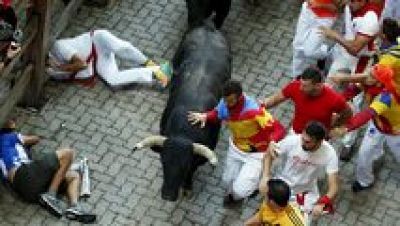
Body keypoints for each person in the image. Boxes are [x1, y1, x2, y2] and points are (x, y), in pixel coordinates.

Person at [188, 80, 286, 205]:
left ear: (240, 97)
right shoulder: (225, 103)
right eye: (225, 100)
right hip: (236, 148)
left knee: (240, 191)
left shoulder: (255, 111)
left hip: (256, 154)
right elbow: (218, 113)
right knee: (227, 180)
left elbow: (279, 129)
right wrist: (206, 116)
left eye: (230, 101)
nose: (227, 104)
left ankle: (250, 189)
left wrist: (272, 141)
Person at [0, 119, 96, 223]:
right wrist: (20, 136)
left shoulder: (9, 147)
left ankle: (75, 207)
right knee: (68, 153)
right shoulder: (8, 137)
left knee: (73, 176)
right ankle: (50, 195)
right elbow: (35, 139)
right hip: (23, 174)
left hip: (29, 192)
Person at [330, 62, 400, 192]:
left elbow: (366, 114)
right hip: (378, 124)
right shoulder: (368, 81)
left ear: (379, 82)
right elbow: (350, 92)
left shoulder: (386, 97)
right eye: (370, 72)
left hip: (395, 131)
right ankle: (365, 181)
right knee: (364, 153)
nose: (367, 76)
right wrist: (333, 107)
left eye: (371, 76)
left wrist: (346, 128)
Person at [259, 121, 339, 222]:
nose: (302, 143)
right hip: (281, 186)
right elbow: (269, 155)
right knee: (267, 218)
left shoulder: (329, 153)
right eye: (302, 138)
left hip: (305, 192)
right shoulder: (292, 140)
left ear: (319, 142)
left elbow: (334, 187)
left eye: (307, 142)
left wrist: (322, 203)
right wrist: (265, 176)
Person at [47, 29, 172, 88]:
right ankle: (157, 71)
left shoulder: (58, 46)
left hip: (97, 40)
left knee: (121, 48)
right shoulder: (50, 71)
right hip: (96, 60)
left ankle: (147, 62)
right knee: (113, 80)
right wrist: (56, 69)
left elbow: (82, 64)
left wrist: (61, 67)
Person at [263, 67, 352, 135]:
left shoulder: (335, 100)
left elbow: (347, 114)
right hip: (295, 133)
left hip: (317, 140)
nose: (300, 88)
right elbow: (274, 100)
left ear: (317, 86)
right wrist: (258, 107)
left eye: (305, 86)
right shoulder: (295, 86)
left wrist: (334, 125)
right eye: (301, 83)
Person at [292, 0, 344, 77]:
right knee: (297, 46)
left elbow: (339, 8)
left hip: (324, 19)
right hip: (307, 10)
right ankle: (297, 76)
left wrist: (321, 5)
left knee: (309, 51)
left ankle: (326, 52)